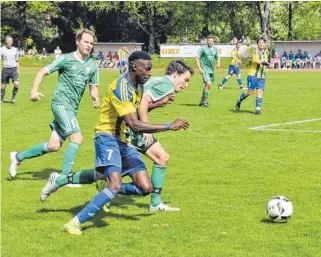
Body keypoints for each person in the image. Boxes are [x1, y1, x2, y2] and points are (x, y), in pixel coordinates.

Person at [40, 51, 190, 235]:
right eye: (148, 69)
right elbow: (134, 123)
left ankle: (63, 179)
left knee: (145, 188)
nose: (150, 73)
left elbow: (133, 111)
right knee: (115, 185)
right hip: (107, 137)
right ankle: (74, 222)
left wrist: (157, 105)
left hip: (123, 140)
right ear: (135, 67)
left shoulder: (137, 86)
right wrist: (169, 125)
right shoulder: (121, 87)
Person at [97, 59, 195, 212]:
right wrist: (145, 128)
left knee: (159, 159)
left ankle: (107, 187)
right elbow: (142, 102)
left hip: (126, 127)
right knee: (161, 158)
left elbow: (140, 103)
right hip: (131, 129)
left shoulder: (159, 80)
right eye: (186, 80)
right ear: (176, 75)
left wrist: (158, 104)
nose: (186, 85)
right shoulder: (167, 84)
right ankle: (153, 203)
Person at [9, 28, 100, 179]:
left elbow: (93, 87)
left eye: (91, 43)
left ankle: (17, 157)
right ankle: (63, 179)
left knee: (54, 146)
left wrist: (95, 97)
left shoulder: (92, 65)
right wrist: (34, 90)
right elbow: (42, 72)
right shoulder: (65, 59)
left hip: (72, 108)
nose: (89, 45)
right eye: (86, 42)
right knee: (77, 138)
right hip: (61, 104)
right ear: (78, 42)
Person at [235, 37, 269, 115]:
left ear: (264, 44)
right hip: (253, 75)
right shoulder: (255, 51)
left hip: (262, 75)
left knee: (260, 91)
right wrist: (264, 63)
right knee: (250, 92)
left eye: (262, 42)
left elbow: (265, 62)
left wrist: (267, 65)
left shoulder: (266, 52)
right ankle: (239, 100)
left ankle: (257, 110)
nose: (261, 44)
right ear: (257, 44)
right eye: (259, 42)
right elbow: (256, 61)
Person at [196, 35, 220, 107]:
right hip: (204, 69)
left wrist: (218, 63)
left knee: (208, 86)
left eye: (212, 41)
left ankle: (202, 101)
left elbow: (218, 57)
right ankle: (205, 101)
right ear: (207, 41)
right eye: (209, 41)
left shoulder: (215, 49)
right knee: (208, 84)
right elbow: (197, 58)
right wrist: (199, 68)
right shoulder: (202, 49)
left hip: (211, 70)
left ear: (213, 42)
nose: (210, 42)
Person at [0, 35, 20, 104]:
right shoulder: (1, 49)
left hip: (13, 69)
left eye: (11, 41)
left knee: (17, 83)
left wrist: (18, 68)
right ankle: (1, 99)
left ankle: (13, 98)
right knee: (3, 85)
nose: (9, 42)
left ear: (12, 42)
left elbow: (17, 60)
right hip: (5, 69)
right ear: (6, 41)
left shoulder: (15, 50)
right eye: (8, 41)